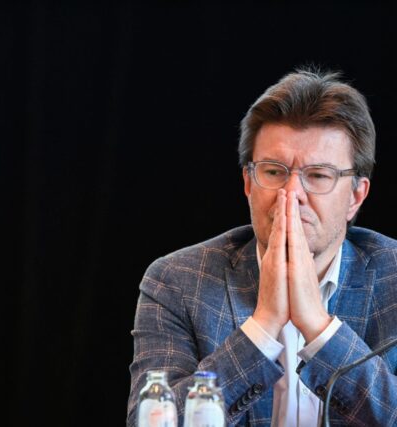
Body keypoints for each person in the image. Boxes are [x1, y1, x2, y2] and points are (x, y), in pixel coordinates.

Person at [127, 69, 397, 426]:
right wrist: (263, 327)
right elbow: (152, 422)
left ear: (356, 196)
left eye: (318, 175)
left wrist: (319, 328)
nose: (291, 194)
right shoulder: (177, 281)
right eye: (273, 172)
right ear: (248, 183)